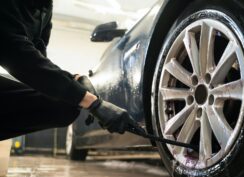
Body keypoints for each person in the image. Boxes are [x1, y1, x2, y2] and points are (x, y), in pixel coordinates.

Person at [0, 0, 141, 141]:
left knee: (63, 105)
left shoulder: (44, 8)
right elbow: (16, 54)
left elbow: (38, 59)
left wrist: (74, 79)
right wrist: (92, 102)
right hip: (14, 58)